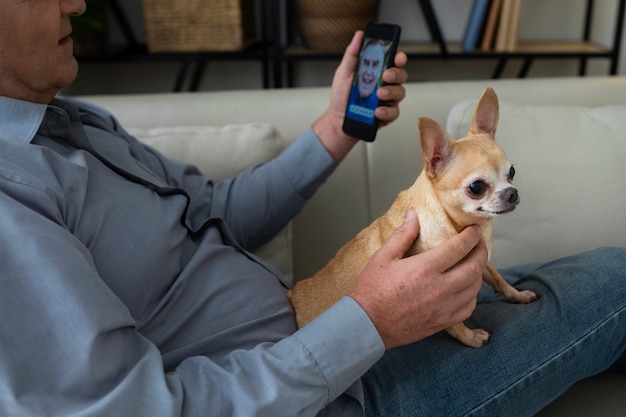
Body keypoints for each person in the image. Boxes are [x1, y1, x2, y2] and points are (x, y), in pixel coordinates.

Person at [0, 1, 623, 416]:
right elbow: (131, 408)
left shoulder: (80, 124)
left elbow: (218, 211)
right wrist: (368, 322)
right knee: (616, 279)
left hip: (337, 331)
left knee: (566, 277)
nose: (75, 3)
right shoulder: (10, 196)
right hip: (335, 391)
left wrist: (335, 128)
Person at [346, 38, 388, 124]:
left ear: (380, 72)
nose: (369, 72)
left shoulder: (382, 103)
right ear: (360, 66)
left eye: (375, 65)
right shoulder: (346, 93)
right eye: (366, 63)